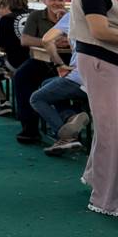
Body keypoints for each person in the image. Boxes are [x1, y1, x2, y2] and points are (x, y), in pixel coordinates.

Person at [69, 0, 118, 217]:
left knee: (109, 129)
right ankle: (106, 199)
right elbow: (99, 30)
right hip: (101, 63)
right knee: (112, 131)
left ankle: (99, 184)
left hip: (104, 63)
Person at [30, 12, 89, 156]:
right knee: (48, 83)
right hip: (106, 78)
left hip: (81, 78)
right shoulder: (110, 15)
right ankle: (70, 117)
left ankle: (64, 137)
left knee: (37, 98)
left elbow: (46, 40)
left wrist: (59, 64)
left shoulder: (73, 15)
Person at [13, 0, 66, 144]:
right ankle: (29, 128)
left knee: (61, 82)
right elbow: (25, 40)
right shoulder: (36, 16)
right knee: (21, 77)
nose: (57, 3)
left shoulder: (70, 17)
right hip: (41, 60)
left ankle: (65, 122)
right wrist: (48, 42)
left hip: (67, 60)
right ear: (45, 1)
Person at [0, 0, 30, 117]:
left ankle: (3, 102)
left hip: (14, 62)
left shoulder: (5, 19)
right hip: (36, 61)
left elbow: (1, 47)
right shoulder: (35, 14)